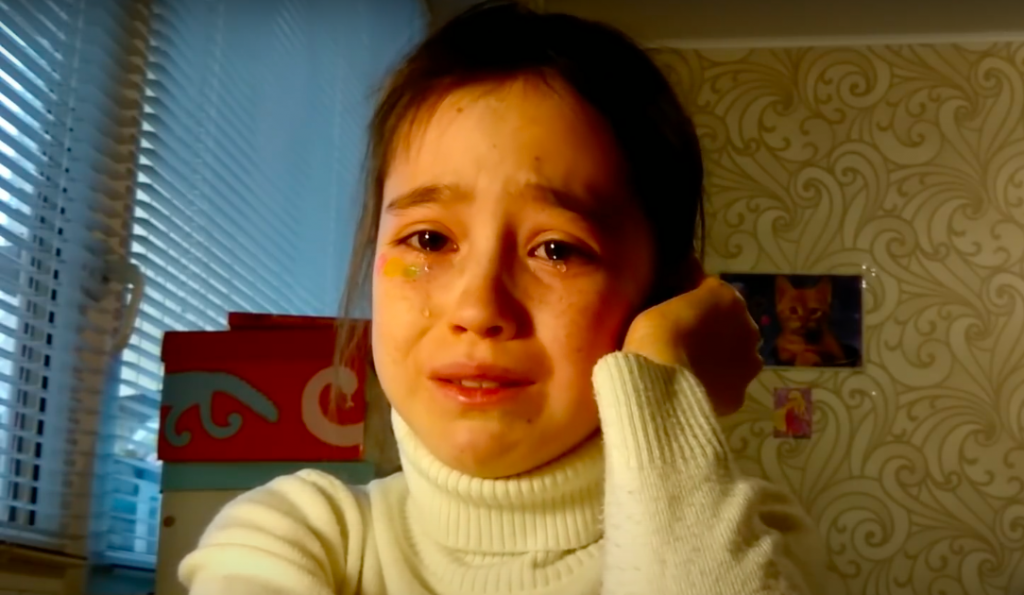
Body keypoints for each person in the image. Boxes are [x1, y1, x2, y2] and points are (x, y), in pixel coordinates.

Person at [179, 2, 831, 594]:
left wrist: (664, 373)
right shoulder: (295, 535)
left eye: (558, 249)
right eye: (428, 239)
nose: (478, 309)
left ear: (666, 296)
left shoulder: (752, 542)